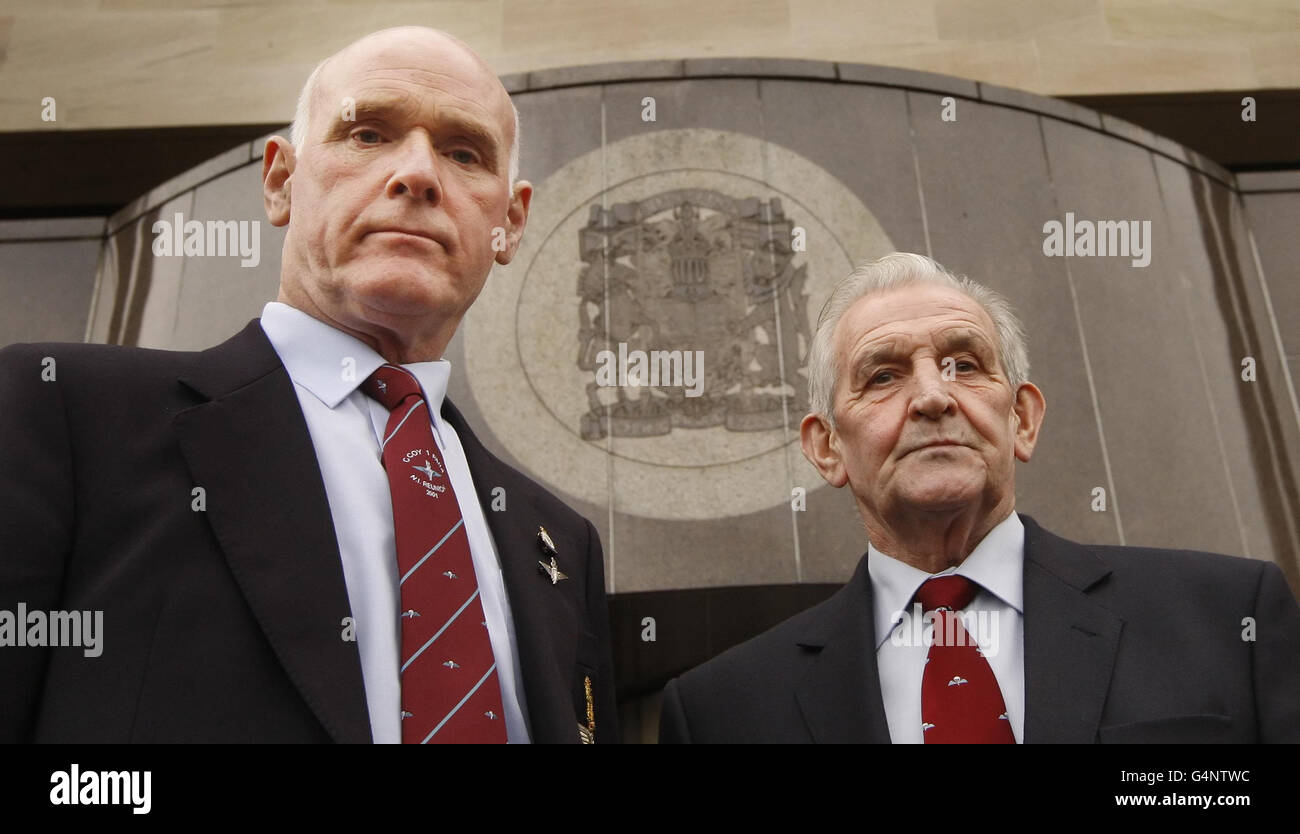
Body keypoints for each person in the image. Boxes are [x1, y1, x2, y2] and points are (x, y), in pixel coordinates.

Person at [0, 26, 617, 744]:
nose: (416, 174)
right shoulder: (67, 419)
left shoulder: (562, 545)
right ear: (280, 181)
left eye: (463, 153)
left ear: (509, 223)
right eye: (368, 134)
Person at [659, 252, 1300, 743]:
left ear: (1021, 419)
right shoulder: (723, 711)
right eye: (883, 376)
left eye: (964, 364)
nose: (934, 397)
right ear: (826, 447)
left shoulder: (1224, 620)